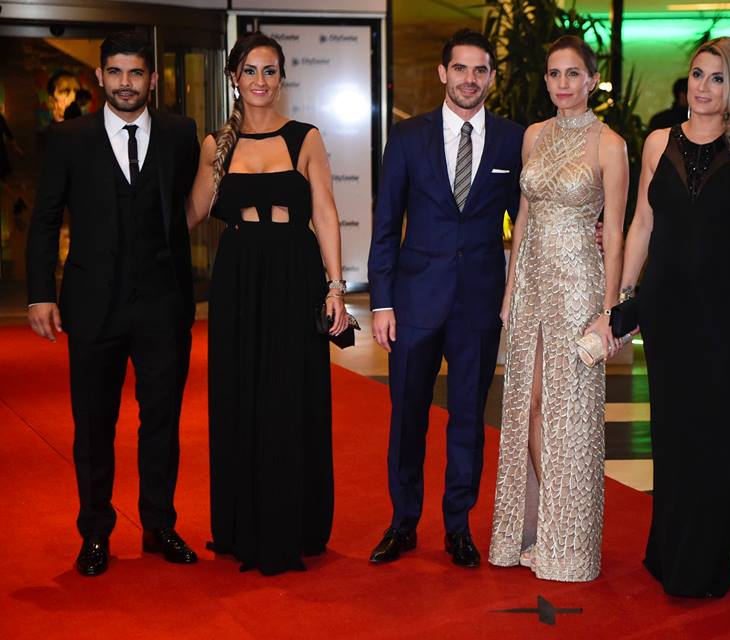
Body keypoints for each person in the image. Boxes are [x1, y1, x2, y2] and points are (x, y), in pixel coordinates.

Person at [26, 31, 200, 577]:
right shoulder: (68, 138)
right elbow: (45, 218)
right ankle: (95, 533)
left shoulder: (180, 133)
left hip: (162, 304)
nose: (126, 83)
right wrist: (40, 293)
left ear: (152, 79)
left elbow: (194, 205)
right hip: (93, 304)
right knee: (94, 424)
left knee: (162, 422)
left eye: (136, 73)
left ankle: (159, 525)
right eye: (117, 72)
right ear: (100, 76)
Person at [186, 33, 345, 576]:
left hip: (295, 275)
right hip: (238, 280)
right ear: (234, 78)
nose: (260, 81)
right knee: (241, 393)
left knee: (288, 394)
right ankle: (242, 523)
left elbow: (324, 212)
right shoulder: (216, 145)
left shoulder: (305, 137)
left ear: (281, 78)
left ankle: (292, 524)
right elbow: (192, 213)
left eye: (270, 71)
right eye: (250, 71)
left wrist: (336, 287)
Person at [366, 29, 523, 568]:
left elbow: (530, 214)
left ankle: (458, 527)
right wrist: (382, 303)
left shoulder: (512, 140)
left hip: (478, 303)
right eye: (460, 68)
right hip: (414, 303)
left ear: (492, 78)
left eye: (480, 70)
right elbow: (386, 224)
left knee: (468, 420)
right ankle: (402, 524)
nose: (469, 79)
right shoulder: (408, 137)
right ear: (443, 72)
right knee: (407, 419)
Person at [616, 37, 730, 597]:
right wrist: (623, 297)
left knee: (715, 434)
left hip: (725, 311)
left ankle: (706, 565)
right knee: (672, 432)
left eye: (717, 78)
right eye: (698, 74)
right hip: (666, 306)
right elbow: (642, 224)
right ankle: (668, 553)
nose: (703, 87)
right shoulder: (659, 141)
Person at [489, 35, 627, 582]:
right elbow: (521, 218)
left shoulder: (609, 144)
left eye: (573, 74)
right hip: (530, 284)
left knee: (564, 410)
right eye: (553, 74)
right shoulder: (533, 136)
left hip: (578, 288)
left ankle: (566, 535)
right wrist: (509, 291)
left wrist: (610, 310)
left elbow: (615, 232)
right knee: (526, 405)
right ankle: (542, 524)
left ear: (591, 80)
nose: (562, 84)